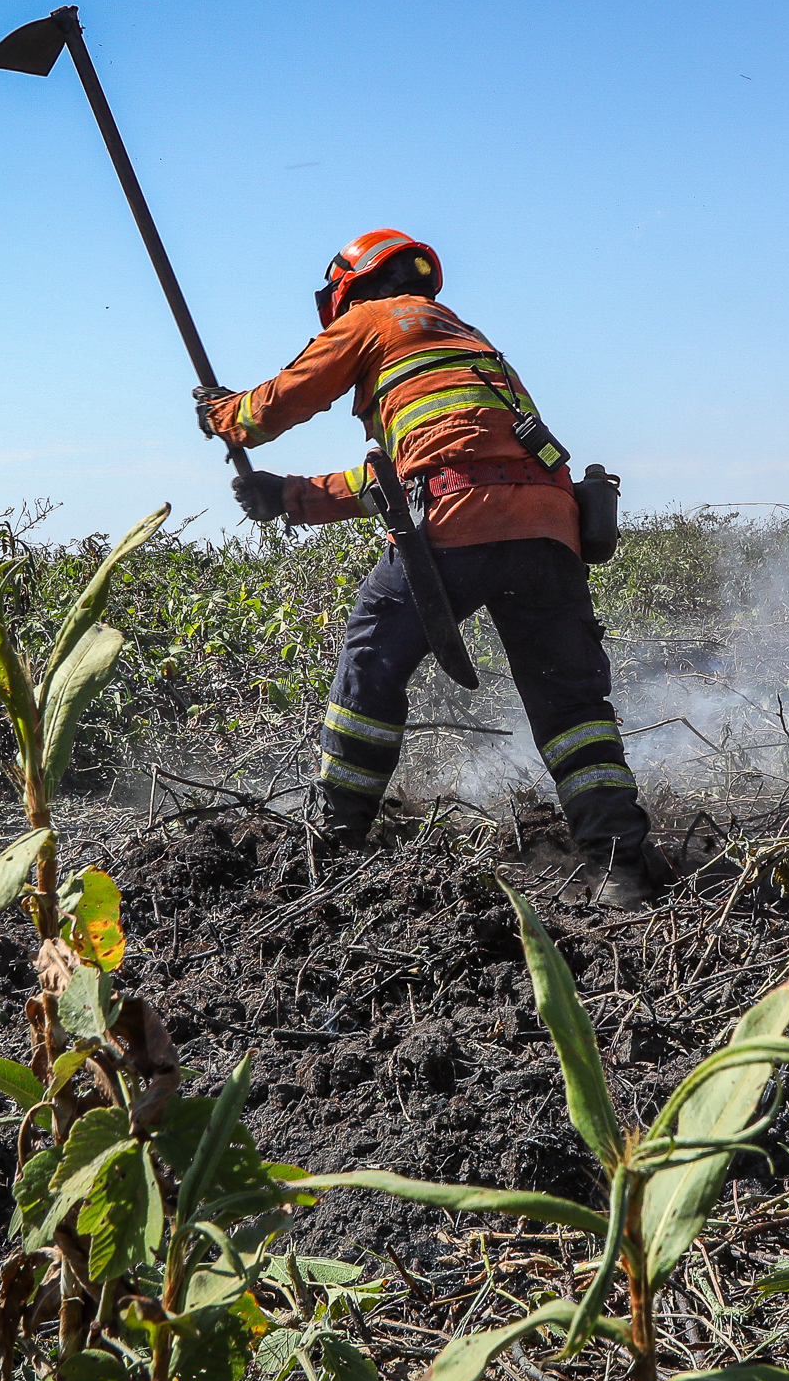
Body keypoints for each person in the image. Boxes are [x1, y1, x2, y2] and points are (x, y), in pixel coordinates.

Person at [196, 229, 663, 905]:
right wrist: (289, 495)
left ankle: (334, 840)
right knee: (572, 705)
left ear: (349, 290)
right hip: (548, 523)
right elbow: (424, 470)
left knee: (371, 655)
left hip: (451, 520)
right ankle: (620, 865)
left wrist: (227, 416)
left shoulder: (371, 320)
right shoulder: (472, 343)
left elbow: (281, 403)